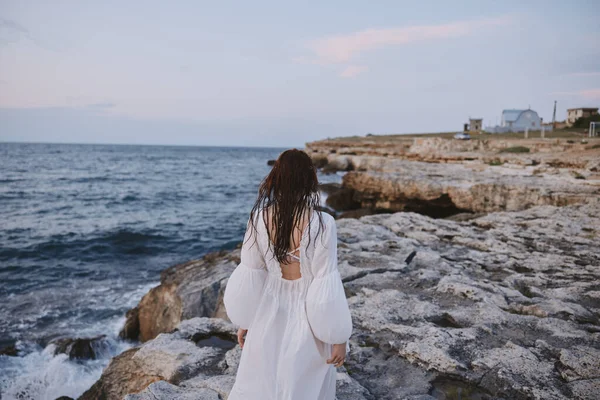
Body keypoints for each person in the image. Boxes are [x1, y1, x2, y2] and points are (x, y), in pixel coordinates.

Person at [224, 149, 353, 400]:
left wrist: (246, 320)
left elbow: (251, 273)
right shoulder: (324, 223)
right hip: (309, 312)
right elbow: (325, 281)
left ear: (276, 178)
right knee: (304, 381)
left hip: (269, 307)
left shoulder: (260, 217)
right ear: (309, 179)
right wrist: (338, 338)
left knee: (262, 378)